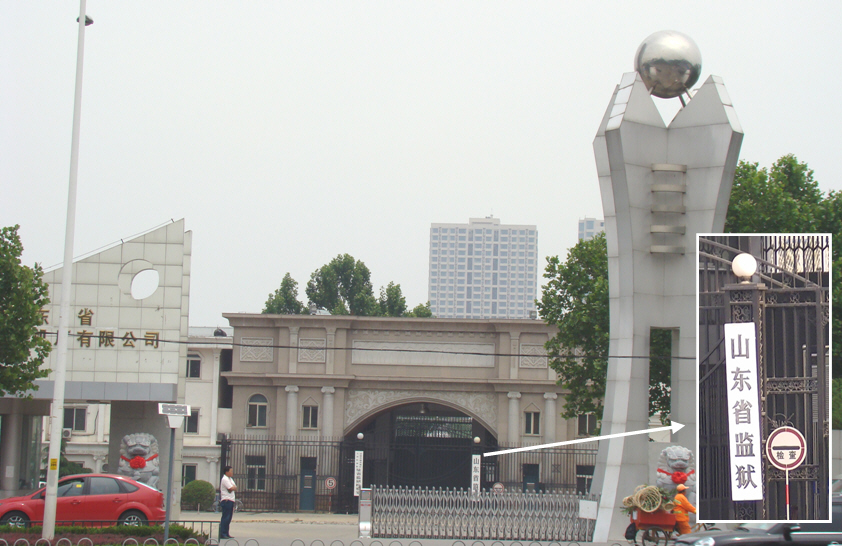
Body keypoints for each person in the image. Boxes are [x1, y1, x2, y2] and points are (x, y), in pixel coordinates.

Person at [219, 465, 237, 539]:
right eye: (231, 471)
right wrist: (232, 488)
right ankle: (223, 533)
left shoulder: (230, 479)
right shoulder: (225, 479)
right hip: (226, 500)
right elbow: (230, 488)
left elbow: (234, 487)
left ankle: (226, 533)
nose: (232, 472)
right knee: (226, 517)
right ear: (226, 472)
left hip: (231, 500)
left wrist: (232, 488)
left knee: (229, 518)